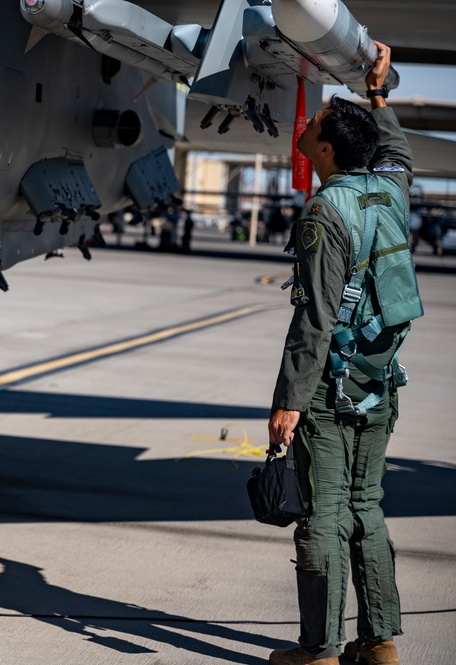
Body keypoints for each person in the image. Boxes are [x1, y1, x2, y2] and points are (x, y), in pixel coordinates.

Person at [267, 42, 423, 665]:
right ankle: (379, 642)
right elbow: (398, 153)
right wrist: (377, 93)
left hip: (330, 392)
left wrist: (288, 404)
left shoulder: (325, 212)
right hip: (380, 382)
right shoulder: (391, 194)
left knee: (323, 516)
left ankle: (321, 650)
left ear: (327, 150)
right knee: (367, 507)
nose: (305, 126)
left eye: (316, 125)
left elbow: (315, 318)